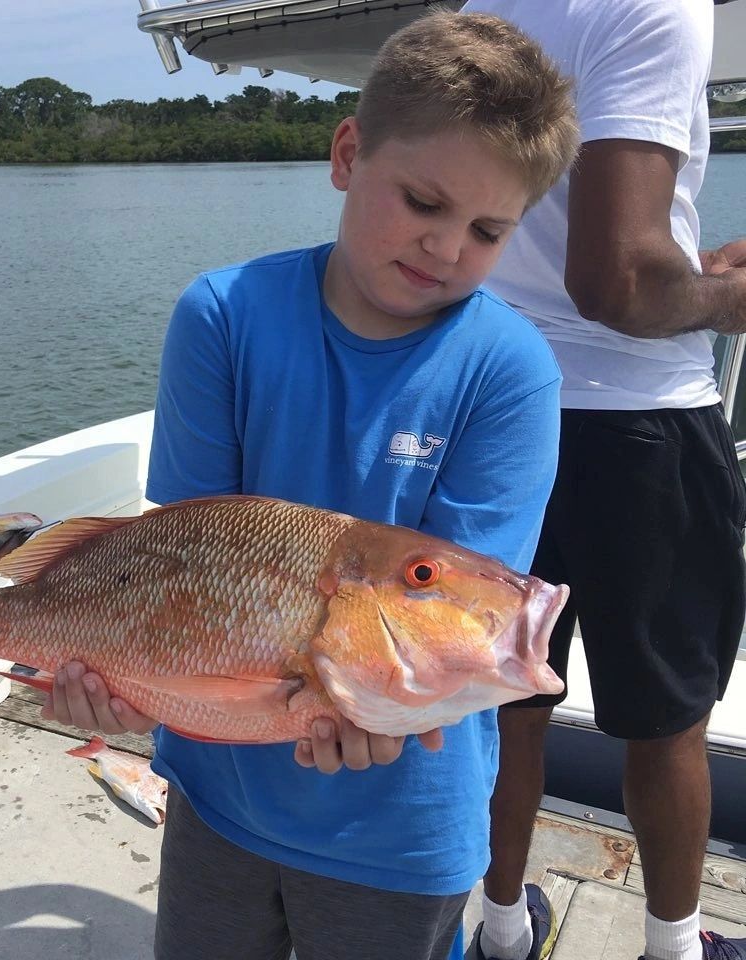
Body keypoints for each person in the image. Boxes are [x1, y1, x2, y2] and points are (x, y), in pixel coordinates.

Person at [42, 11, 579, 959]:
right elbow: (179, 554)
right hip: (215, 791)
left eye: (488, 230)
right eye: (423, 201)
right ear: (347, 154)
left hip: (403, 829)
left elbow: (460, 614)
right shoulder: (224, 315)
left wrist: (373, 702)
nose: (447, 246)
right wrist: (120, 683)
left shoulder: (511, 371)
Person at [457, 2, 746, 960]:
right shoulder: (657, 6)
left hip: (497, 405)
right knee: (667, 723)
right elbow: (619, 280)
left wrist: (693, 272)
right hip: (643, 425)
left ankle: (503, 933)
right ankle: (674, 949)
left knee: (504, 705)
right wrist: (729, 296)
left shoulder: (486, 6)